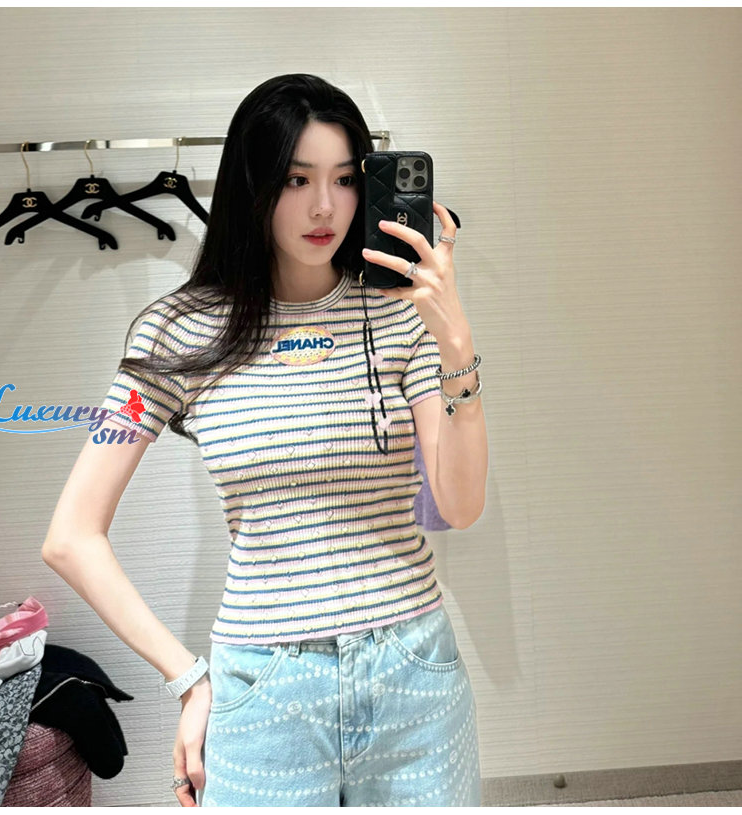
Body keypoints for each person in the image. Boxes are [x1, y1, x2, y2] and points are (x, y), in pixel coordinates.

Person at [42, 73, 488, 807]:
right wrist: (189, 680)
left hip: (414, 677)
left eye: (345, 179)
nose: (325, 207)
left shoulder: (401, 316)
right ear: (252, 186)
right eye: (296, 179)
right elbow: (70, 537)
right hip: (267, 693)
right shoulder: (177, 333)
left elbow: (460, 505)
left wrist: (456, 341)